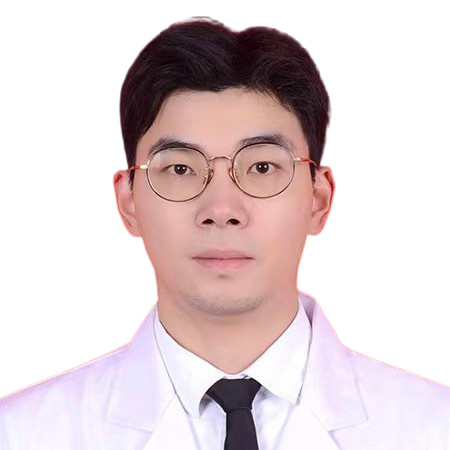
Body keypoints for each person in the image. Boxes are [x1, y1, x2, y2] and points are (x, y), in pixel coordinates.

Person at [1, 16, 449, 450]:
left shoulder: (434, 429)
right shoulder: (20, 435)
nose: (221, 210)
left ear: (319, 198)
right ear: (128, 201)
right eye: (180, 169)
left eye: (262, 167)